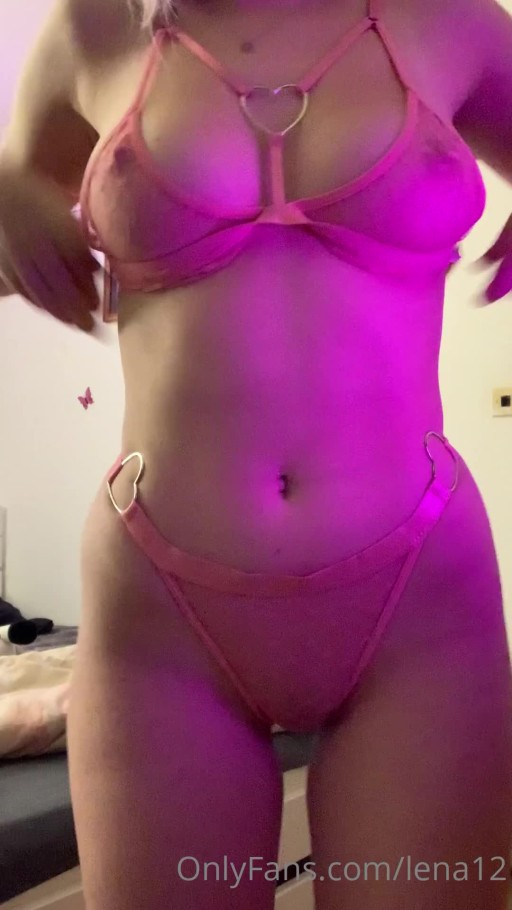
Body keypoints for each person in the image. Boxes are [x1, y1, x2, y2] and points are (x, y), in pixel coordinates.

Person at [1, 0, 512, 906]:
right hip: (161, 610)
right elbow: (18, 244)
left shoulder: (452, 20)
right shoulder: (93, 29)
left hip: (417, 603)